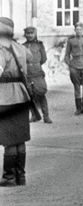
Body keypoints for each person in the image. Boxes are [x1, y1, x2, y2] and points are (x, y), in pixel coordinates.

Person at [0, 17, 32, 186]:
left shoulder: (1, 50)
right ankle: (21, 176)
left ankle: (9, 177)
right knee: (20, 138)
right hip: (22, 95)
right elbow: (31, 59)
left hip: (6, 96)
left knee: (9, 138)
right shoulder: (20, 48)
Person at [23, 26, 52, 124]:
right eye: (28, 33)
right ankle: (34, 115)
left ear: (35, 34)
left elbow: (43, 59)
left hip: (37, 73)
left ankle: (46, 116)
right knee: (29, 95)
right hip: (27, 74)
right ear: (25, 35)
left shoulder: (39, 45)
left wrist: (36, 65)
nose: (30, 35)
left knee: (41, 93)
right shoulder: (22, 46)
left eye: (31, 33)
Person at [64, 22, 83, 115]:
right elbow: (67, 55)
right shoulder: (71, 41)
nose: (79, 31)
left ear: (82, 30)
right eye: (77, 29)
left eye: (80, 29)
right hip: (75, 65)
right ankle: (78, 108)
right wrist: (70, 65)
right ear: (74, 30)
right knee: (76, 87)